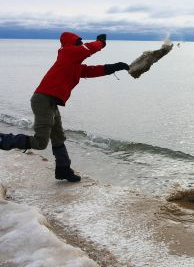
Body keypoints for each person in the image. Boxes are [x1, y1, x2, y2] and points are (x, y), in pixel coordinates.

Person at [0, 32, 129, 182]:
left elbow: (90, 71)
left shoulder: (72, 63)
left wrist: (115, 67)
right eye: (78, 42)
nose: (81, 44)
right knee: (40, 142)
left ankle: (63, 171)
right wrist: (101, 43)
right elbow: (87, 49)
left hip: (51, 102)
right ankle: (3, 140)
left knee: (58, 138)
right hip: (43, 100)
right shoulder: (67, 53)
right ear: (72, 43)